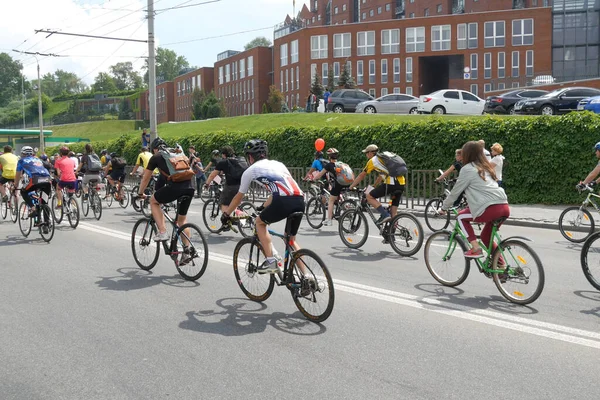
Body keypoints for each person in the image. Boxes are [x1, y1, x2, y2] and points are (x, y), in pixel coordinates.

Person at [221, 139, 305, 274]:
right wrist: (262, 207)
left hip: (282, 200)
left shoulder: (250, 171)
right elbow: (280, 189)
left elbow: (238, 197)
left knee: (259, 223)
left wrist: (226, 215)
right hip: (300, 199)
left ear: (249, 156)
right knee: (291, 240)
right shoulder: (279, 164)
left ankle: (271, 263)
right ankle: (307, 277)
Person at [442, 140, 510, 258]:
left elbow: (455, 192)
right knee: (486, 237)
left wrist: (444, 208)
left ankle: (475, 248)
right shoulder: (486, 166)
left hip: (490, 207)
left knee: (461, 217)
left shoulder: (467, 169)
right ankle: (501, 268)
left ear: (467, 154)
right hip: (504, 205)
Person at [137, 138, 195, 259]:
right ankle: (187, 250)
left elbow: (146, 178)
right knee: (182, 221)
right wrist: (158, 192)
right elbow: (162, 179)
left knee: (153, 201)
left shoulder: (157, 157)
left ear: (155, 149)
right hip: (190, 187)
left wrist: (140, 193)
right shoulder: (175, 154)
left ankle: (162, 232)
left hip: (176, 188)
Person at [349, 144, 406, 224]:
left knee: (369, 197)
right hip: (401, 183)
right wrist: (374, 186)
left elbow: (362, 175)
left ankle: (385, 214)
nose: (366, 155)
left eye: (366, 153)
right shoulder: (383, 159)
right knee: (393, 212)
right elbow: (381, 175)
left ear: (370, 153)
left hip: (391, 183)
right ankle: (393, 232)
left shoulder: (373, 160)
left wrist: (351, 186)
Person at [311, 147, 353, 226]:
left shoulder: (329, 165)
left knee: (331, 200)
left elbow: (320, 174)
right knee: (338, 197)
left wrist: (313, 179)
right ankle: (344, 207)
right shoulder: (342, 163)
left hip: (338, 184)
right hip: (347, 183)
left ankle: (329, 220)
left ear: (329, 156)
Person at [204, 146, 248, 218]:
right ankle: (242, 217)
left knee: (223, 203)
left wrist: (207, 184)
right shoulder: (241, 159)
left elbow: (212, 175)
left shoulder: (223, 162)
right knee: (235, 203)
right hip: (243, 185)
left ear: (224, 154)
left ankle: (226, 222)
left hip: (231, 186)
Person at [14, 146, 51, 222]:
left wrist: (15, 185)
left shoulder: (21, 161)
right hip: (47, 180)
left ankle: (33, 209)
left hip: (35, 180)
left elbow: (17, 175)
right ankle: (47, 223)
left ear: (23, 153)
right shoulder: (38, 159)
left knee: (23, 192)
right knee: (44, 202)